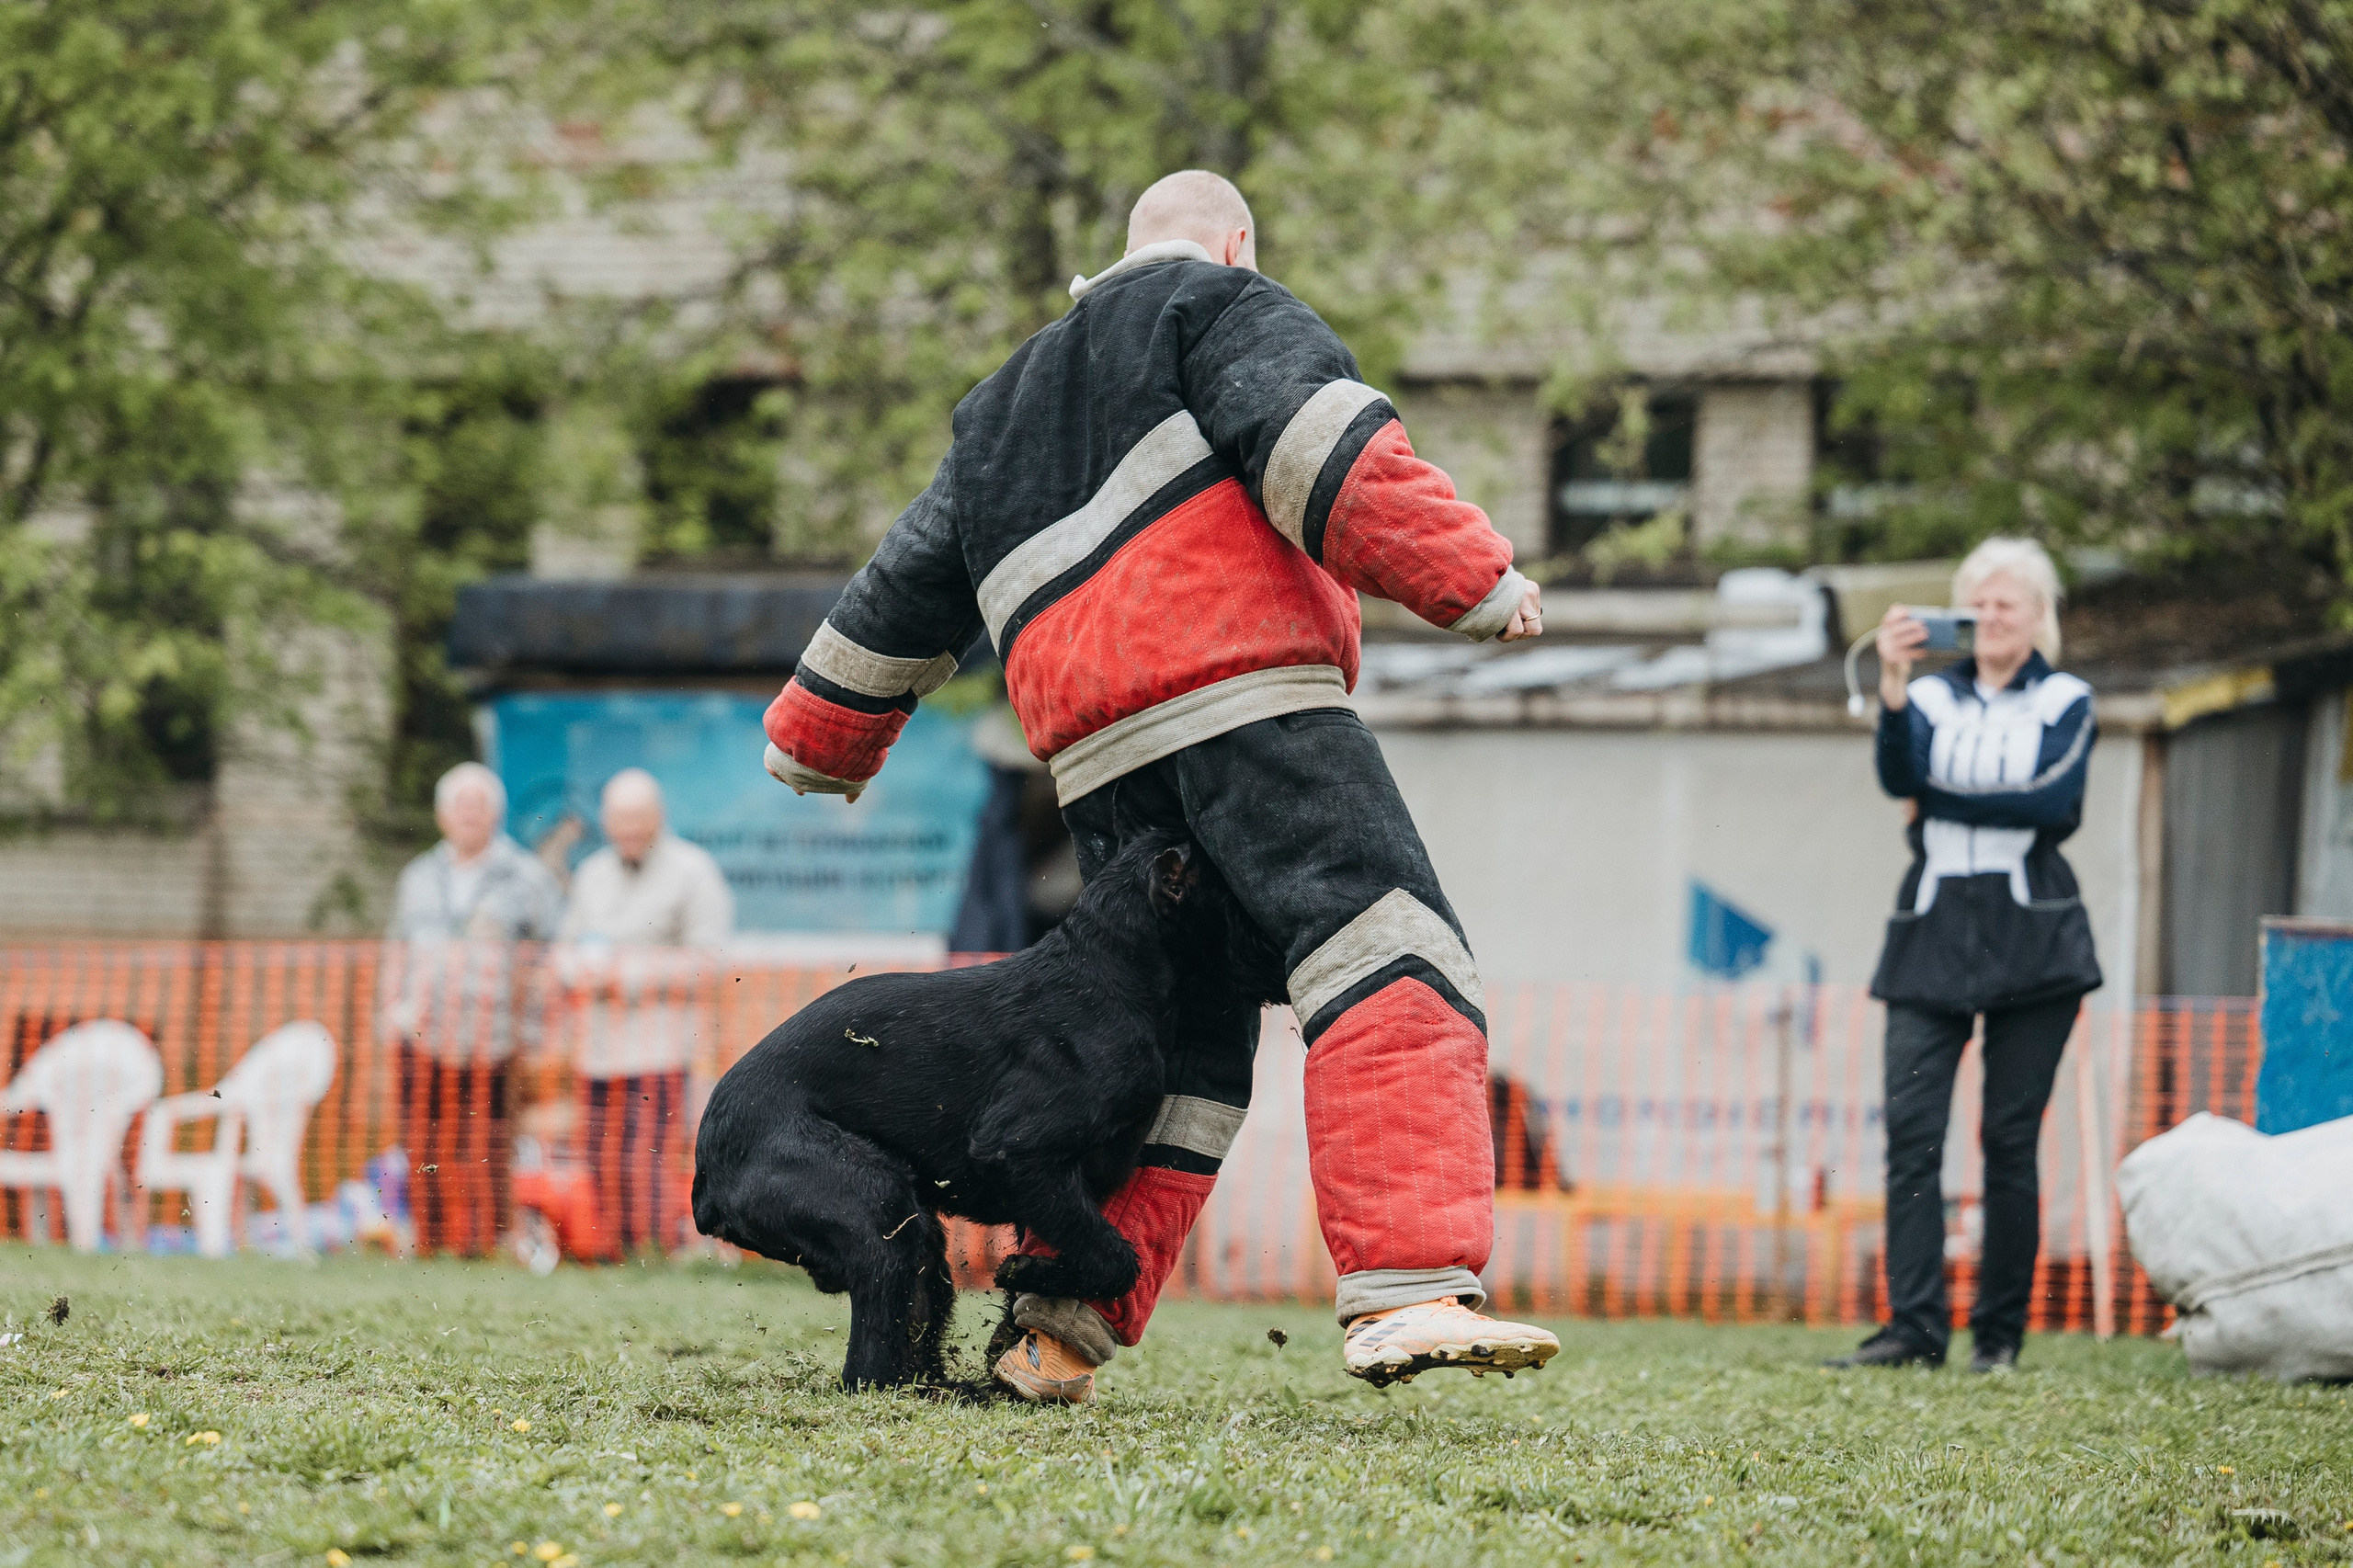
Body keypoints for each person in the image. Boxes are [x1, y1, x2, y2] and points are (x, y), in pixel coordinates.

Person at [759, 168, 1560, 1403]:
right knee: (1383, 951)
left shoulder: (1001, 405)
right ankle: (1410, 1286)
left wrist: (821, 737)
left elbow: (905, 583)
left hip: (1101, 768)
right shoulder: (1218, 307)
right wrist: (1479, 581)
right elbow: (1321, 448)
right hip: (1248, 709)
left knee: (1168, 1054)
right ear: (1233, 245)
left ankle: (1055, 1329)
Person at [1831, 537, 2102, 1374]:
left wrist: (1933, 800)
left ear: (2037, 617)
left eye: (2006, 605)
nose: (1989, 619)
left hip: (2034, 939)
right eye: (1977, 604)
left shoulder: (2066, 698)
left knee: (2008, 1141)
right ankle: (1913, 1329)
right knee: (1912, 1136)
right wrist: (1892, 687)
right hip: (1931, 935)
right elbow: (1892, 775)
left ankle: (1999, 1338)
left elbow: (2053, 802)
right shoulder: (1931, 700)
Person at [381, 761, 563, 1256]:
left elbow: (547, 957)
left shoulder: (527, 877)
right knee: (423, 1142)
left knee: (488, 1144)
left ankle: (487, 1243)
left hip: (497, 1038)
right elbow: (396, 946)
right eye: (459, 807)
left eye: (478, 807)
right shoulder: (417, 875)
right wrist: (391, 1012)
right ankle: (430, 1239)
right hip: (423, 1034)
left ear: (495, 816)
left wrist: (534, 1030)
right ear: (442, 816)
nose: (468, 816)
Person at [555, 768, 734, 1254]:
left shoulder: (693, 872)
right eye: (619, 819)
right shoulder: (591, 873)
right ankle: (617, 1253)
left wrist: (626, 977)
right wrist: (578, 972)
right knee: (598, 1158)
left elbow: (710, 963)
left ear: (658, 817)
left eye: (637, 818)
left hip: (659, 1051)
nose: (628, 829)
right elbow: (563, 951)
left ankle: (653, 1252)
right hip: (596, 1051)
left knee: (642, 1160)